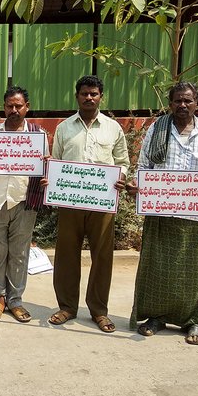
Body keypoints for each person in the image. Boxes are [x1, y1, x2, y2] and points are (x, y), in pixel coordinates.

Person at [127, 82, 198, 345]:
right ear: (170, 103)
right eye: (177, 101)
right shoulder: (157, 128)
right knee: (157, 268)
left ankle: (193, 322)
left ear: (197, 102)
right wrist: (137, 184)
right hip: (161, 213)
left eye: (188, 100)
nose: (182, 105)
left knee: (194, 271)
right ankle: (156, 317)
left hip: (196, 216)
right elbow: (144, 166)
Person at [47, 75, 129, 332]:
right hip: (70, 202)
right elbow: (56, 162)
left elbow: (123, 161)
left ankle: (98, 310)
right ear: (77, 96)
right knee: (66, 255)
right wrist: (51, 178)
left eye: (93, 94)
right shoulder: (64, 127)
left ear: (100, 97)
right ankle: (67, 306)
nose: (89, 98)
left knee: (102, 257)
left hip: (102, 202)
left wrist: (122, 177)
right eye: (84, 93)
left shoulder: (113, 128)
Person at [0, 87, 48, 323]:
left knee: (19, 253)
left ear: (27, 107)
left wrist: (47, 174)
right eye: (9, 106)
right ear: (4, 107)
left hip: (24, 199)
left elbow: (44, 167)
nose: (14, 110)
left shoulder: (38, 136)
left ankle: (15, 301)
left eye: (18, 106)